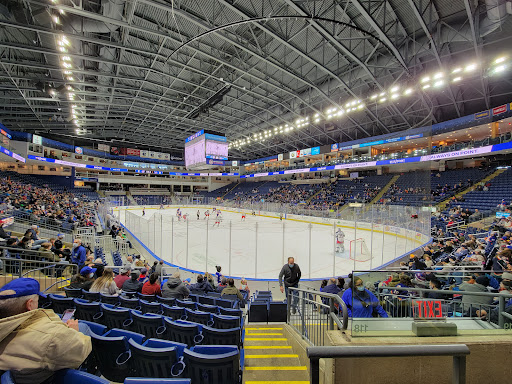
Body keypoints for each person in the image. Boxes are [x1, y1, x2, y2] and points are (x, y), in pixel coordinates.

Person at [0, 278, 92, 383]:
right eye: (37, 300)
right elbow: (81, 349)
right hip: (45, 378)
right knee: (83, 327)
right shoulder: (51, 337)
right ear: (29, 305)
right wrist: (75, 332)